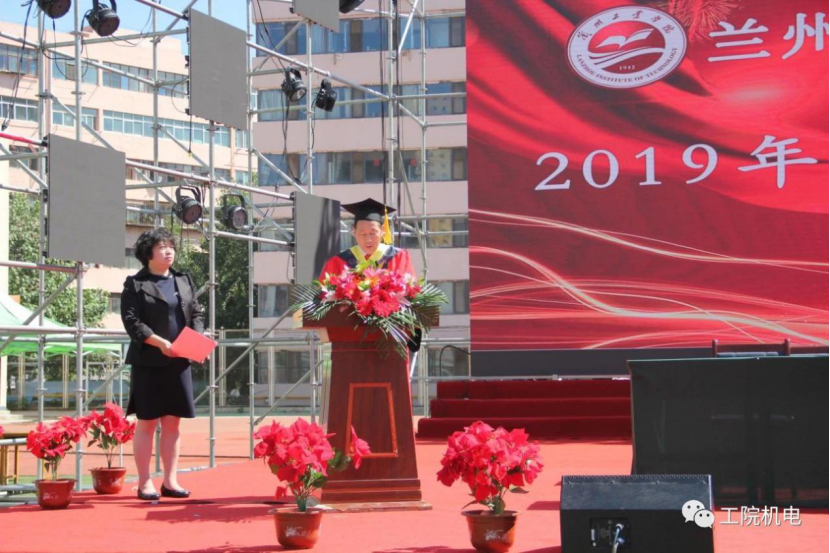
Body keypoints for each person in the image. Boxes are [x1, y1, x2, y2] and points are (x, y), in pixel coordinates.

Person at [121, 229, 204, 501]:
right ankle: (145, 482)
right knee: (146, 423)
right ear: (148, 253)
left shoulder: (183, 279)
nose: (168, 251)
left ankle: (170, 481)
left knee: (172, 424)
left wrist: (197, 339)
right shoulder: (135, 284)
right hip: (148, 362)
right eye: (161, 247)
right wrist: (158, 342)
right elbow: (132, 322)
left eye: (171, 246)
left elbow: (196, 312)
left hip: (179, 360)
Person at [319, 198, 422, 351]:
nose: (368, 239)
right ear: (353, 232)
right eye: (362, 233)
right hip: (349, 343)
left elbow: (411, 293)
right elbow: (323, 298)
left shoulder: (397, 257)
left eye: (373, 233)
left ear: (383, 231)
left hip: (390, 341)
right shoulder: (339, 261)